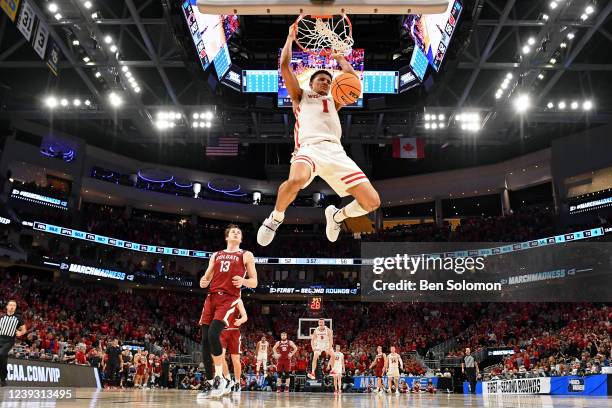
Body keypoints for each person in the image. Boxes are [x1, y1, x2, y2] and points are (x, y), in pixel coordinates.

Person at [257, 24, 381, 247]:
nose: (325, 81)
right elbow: (285, 65)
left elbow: (353, 81)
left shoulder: (336, 100)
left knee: (372, 202)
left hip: (336, 152)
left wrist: (340, 58)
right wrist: (289, 38)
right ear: (311, 83)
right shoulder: (300, 95)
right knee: (296, 180)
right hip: (309, 148)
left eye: (328, 80)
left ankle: (336, 216)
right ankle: (275, 218)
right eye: (321, 79)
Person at [199, 224, 258, 398]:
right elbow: (207, 276)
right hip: (211, 297)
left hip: (229, 298)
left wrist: (244, 281)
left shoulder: (246, 254)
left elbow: (254, 281)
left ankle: (220, 378)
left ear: (241, 239)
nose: (236, 233)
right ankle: (210, 382)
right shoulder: (216, 254)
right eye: (233, 231)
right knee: (204, 341)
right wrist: (203, 280)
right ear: (227, 237)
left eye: (239, 232)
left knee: (213, 334)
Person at [220, 298, 248, 395]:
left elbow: (245, 317)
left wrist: (240, 320)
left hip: (234, 331)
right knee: (220, 356)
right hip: (222, 331)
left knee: (235, 359)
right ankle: (228, 380)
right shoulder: (221, 298)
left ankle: (237, 382)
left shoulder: (238, 300)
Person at [0, 300, 26, 387]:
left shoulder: (19, 318)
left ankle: (3, 378)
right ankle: (3, 379)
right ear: (7, 306)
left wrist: (20, 333)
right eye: (10, 305)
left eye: (14, 305)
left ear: (15, 308)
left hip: (9, 340)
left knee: (2, 354)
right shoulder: (2, 317)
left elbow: (24, 330)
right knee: (2, 358)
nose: (12, 306)